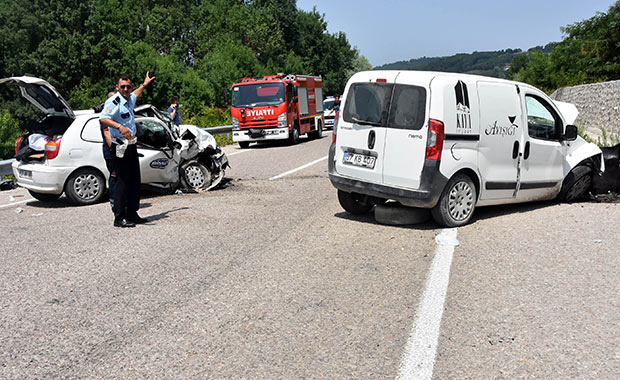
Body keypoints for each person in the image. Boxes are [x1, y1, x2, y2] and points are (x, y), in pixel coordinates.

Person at [99, 72, 155, 227]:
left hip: (131, 146)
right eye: (122, 87)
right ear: (117, 87)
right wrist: (120, 127)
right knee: (121, 182)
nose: (125, 89)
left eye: (128, 87)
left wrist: (144, 84)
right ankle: (119, 216)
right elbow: (103, 118)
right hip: (120, 146)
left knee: (134, 180)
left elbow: (136, 93)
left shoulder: (129, 98)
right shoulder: (114, 101)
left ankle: (132, 212)